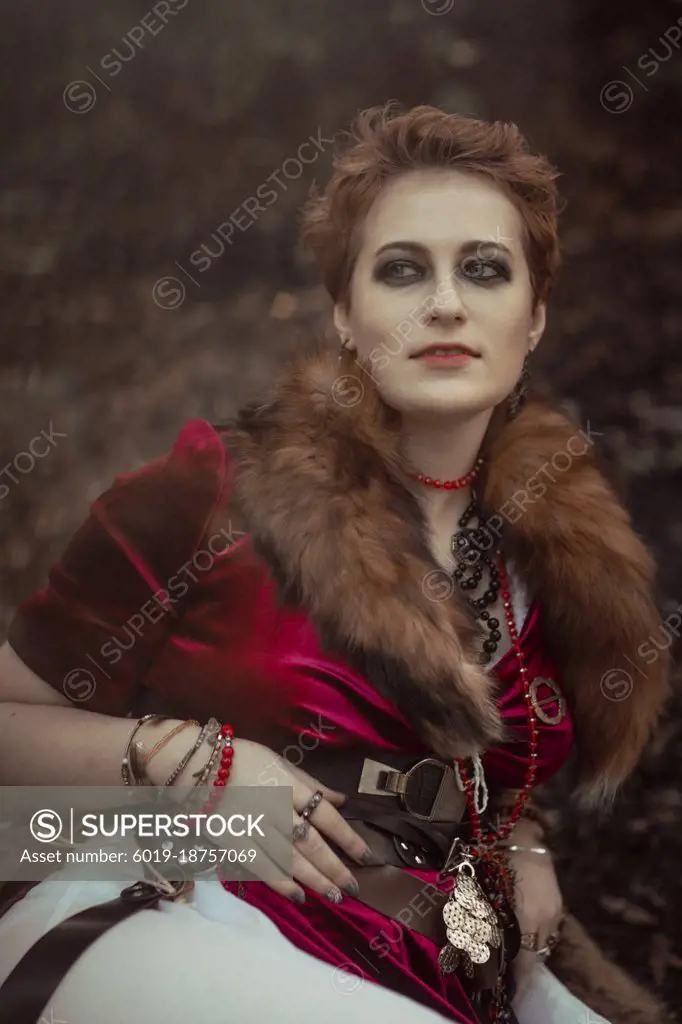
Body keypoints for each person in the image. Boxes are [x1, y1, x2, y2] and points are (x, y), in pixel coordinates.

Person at [0, 102, 673, 1024]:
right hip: (173, 913)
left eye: (484, 268)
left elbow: (498, 780)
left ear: (536, 318)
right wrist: (202, 766)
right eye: (402, 270)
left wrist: (523, 846)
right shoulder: (214, 487)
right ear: (345, 316)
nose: (446, 302)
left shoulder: (549, 552)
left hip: (432, 959)